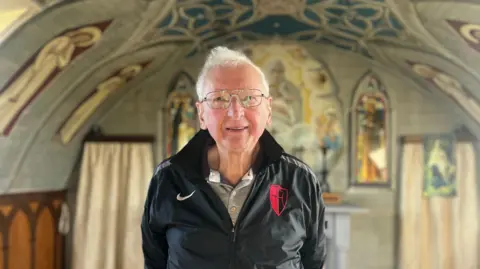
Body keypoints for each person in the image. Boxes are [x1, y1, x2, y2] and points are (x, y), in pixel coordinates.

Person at [141, 46, 326, 269]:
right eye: (219, 99)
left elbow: (313, 262)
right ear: (201, 114)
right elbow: (155, 262)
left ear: (268, 110)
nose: (236, 112)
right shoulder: (168, 180)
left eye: (249, 97)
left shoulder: (300, 180)